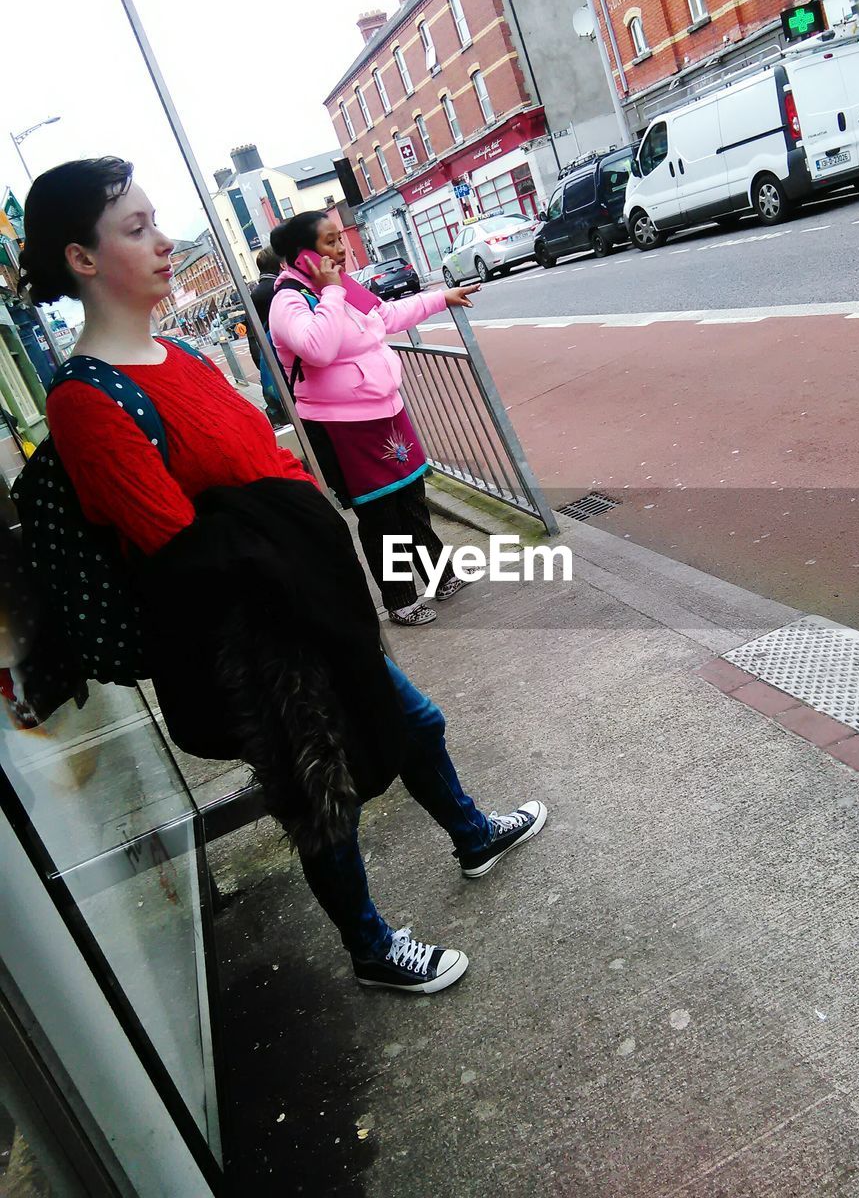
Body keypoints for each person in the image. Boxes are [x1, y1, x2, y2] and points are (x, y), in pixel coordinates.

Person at [19, 157, 547, 995]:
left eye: (158, 222)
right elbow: (178, 555)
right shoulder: (88, 402)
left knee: (414, 724)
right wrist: (287, 530)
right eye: (137, 229)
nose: (163, 243)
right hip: (265, 641)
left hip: (312, 605)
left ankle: (472, 833)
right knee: (321, 799)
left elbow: (262, 463)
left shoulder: (180, 352)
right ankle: (372, 949)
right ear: (83, 260)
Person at [268, 211, 478, 626]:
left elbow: (385, 317)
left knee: (412, 499)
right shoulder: (288, 300)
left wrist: (439, 299)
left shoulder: (344, 287)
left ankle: (440, 574)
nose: (341, 251)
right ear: (302, 255)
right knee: (381, 515)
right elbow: (318, 349)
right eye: (329, 243)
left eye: (339, 240)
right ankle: (400, 599)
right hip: (344, 427)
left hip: (387, 411)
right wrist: (329, 292)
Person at [245, 246, 287, 429]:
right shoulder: (278, 289)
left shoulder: (255, 293)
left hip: (266, 355)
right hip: (281, 356)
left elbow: (252, 332)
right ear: (279, 264)